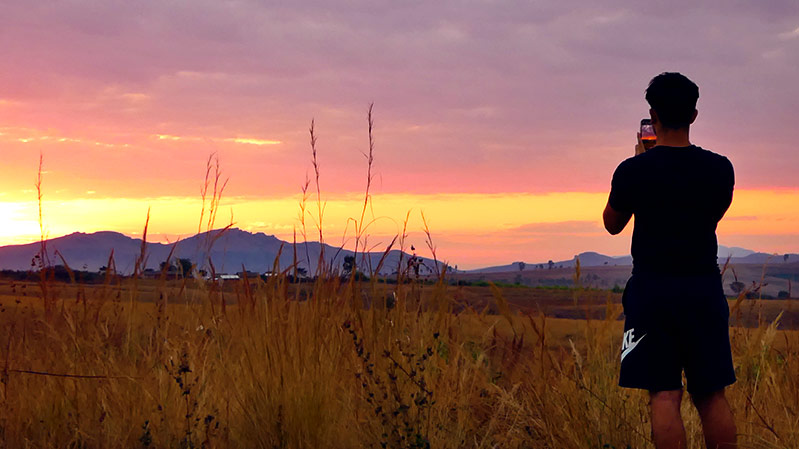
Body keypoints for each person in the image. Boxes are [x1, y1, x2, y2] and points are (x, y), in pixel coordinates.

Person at [603, 72, 737, 449]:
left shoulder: (633, 171)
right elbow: (714, 215)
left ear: (652, 116)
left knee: (663, 394)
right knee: (711, 394)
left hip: (652, 292)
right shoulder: (720, 168)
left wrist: (639, 166)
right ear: (694, 115)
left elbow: (612, 224)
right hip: (703, 290)